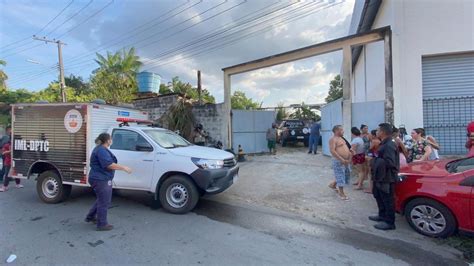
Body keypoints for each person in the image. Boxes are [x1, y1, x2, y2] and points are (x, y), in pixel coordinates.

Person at [85, 133, 132, 231]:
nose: (112, 140)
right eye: (111, 139)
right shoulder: (101, 150)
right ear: (107, 141)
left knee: (101, 199)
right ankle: (102, 224)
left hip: (99, 178)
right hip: (101, 179)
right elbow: (108, 165)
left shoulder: (100, 149)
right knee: (104, 201)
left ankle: (90, 217)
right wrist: (124, 168)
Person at [369, 123, 399, 231]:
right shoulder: (383, 143)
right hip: (379, 176)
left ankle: (390, 222)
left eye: (378, 130)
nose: (376, 132)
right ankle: (381, 215)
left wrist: (374, 161)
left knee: (388, 200)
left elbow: (390, 163)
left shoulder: (389, 145)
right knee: (378, 195)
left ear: (382, 132)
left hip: (386, 177)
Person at [328, 125, 351, 200]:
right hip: (339, 160)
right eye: (341, 130)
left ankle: (333, 184)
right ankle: (341, 192)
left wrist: (349, 156)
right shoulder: (333, 139)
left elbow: (346, 148)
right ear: (336, 131)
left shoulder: (342, 138)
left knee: (344, 174)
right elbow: (332, 151)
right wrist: (341, 159)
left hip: (346, 160)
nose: (343, 131)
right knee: (340, 175)